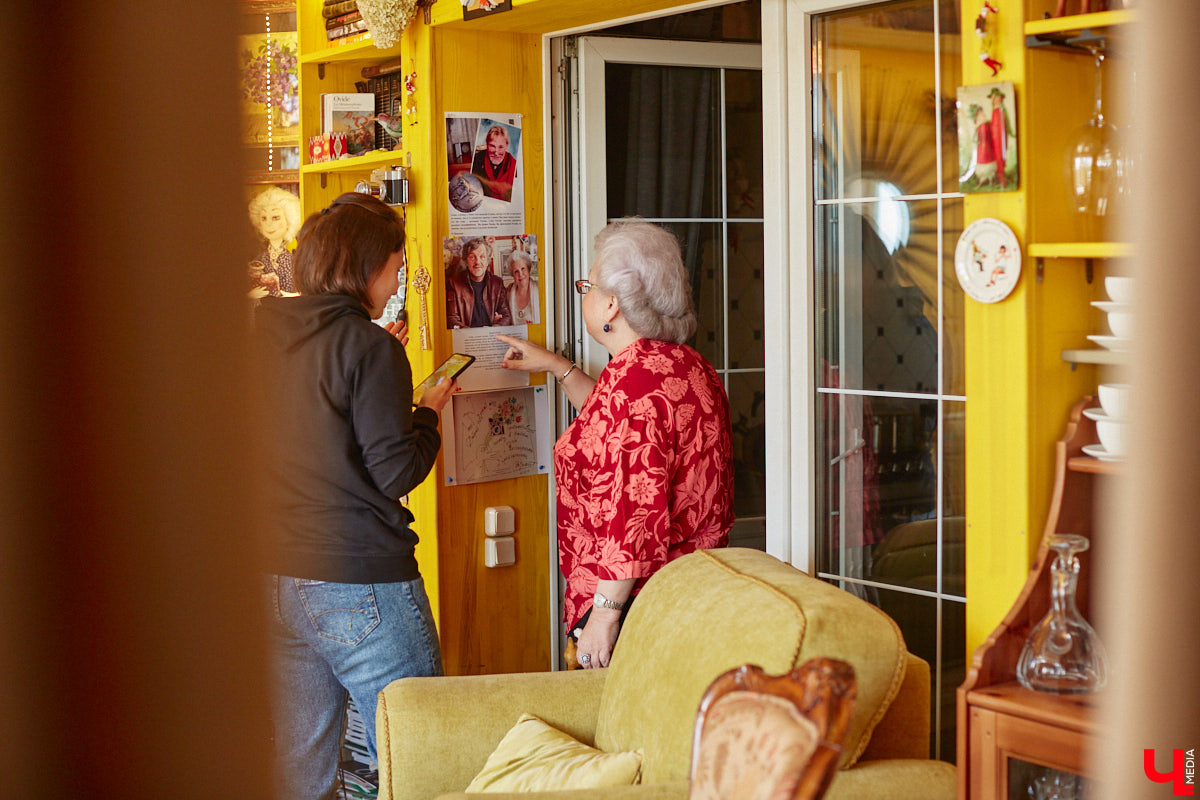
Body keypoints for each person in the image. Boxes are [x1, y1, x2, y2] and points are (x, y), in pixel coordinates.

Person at [254, 192, 456, 799]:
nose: (396, 284)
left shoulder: (257, 332)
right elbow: (394, 472)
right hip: (358, 580)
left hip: (273, 578)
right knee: (422, 754)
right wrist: (425, 414)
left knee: (299, 767)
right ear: (366, 267)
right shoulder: (371, 348)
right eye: (396, 267)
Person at [496, 219, 734, 670]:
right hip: (692, 596)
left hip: (637, 613)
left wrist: (603, 620)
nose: (583, 293)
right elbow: (615, 428)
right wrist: (556, 366)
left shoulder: (632, 388)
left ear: (611, 306)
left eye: (587, 285)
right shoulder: (684, 365)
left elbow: (634, 516)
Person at [248, 185, 303, 298]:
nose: (268, 224)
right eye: (264, 218)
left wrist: (293, 295)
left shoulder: (296, 260)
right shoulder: (258, 262)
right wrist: (250, 295)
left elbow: (309, 295)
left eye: (275, 217)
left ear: (289, 220)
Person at [446, 236, 513, 328]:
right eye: (472, 257)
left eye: (482, 257)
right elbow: (451, 319)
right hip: (467, 338)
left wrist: (494, 327)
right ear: (466, 261)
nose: (477, 262)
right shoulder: (454, 283)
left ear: (488, 261)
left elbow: (506, 316)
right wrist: (474, 334)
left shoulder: (497, 283)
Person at [471, 124, 517, 201]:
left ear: (507, 146)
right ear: (486, 145)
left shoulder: (513, 165)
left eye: (500, 147)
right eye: (492, 146)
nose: (496, 152)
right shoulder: (477, 160)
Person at [506, 249, 539, 324]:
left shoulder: (540, 289)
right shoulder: (508, 293)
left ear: (528, 269)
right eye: (516, 271)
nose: (520, 274)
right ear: (513, 275)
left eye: (523, 269)